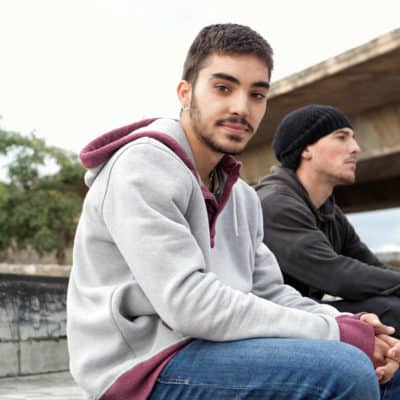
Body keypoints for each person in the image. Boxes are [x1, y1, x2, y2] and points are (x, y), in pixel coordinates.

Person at [67, 26, 400, 400]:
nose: (242, 107)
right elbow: (188, 304)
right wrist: (339, 335)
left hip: (213, 345)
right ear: (185, 92)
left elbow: (271, 291)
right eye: (223, 88)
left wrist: (346, 323)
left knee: (391, 361)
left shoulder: (242, 196)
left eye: (257, 94)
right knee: (345, 370)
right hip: (145, 365)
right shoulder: (142, 166)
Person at [256, 104, 400, 339]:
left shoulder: (328, 210)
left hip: (303, 313)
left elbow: (372, 269)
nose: (355, 148)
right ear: (306, 149)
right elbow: (338, 276)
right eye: (341, 137)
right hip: (264, 323)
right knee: (392, 312)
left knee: (390, 300)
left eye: (353, 139)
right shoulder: (275, 204)